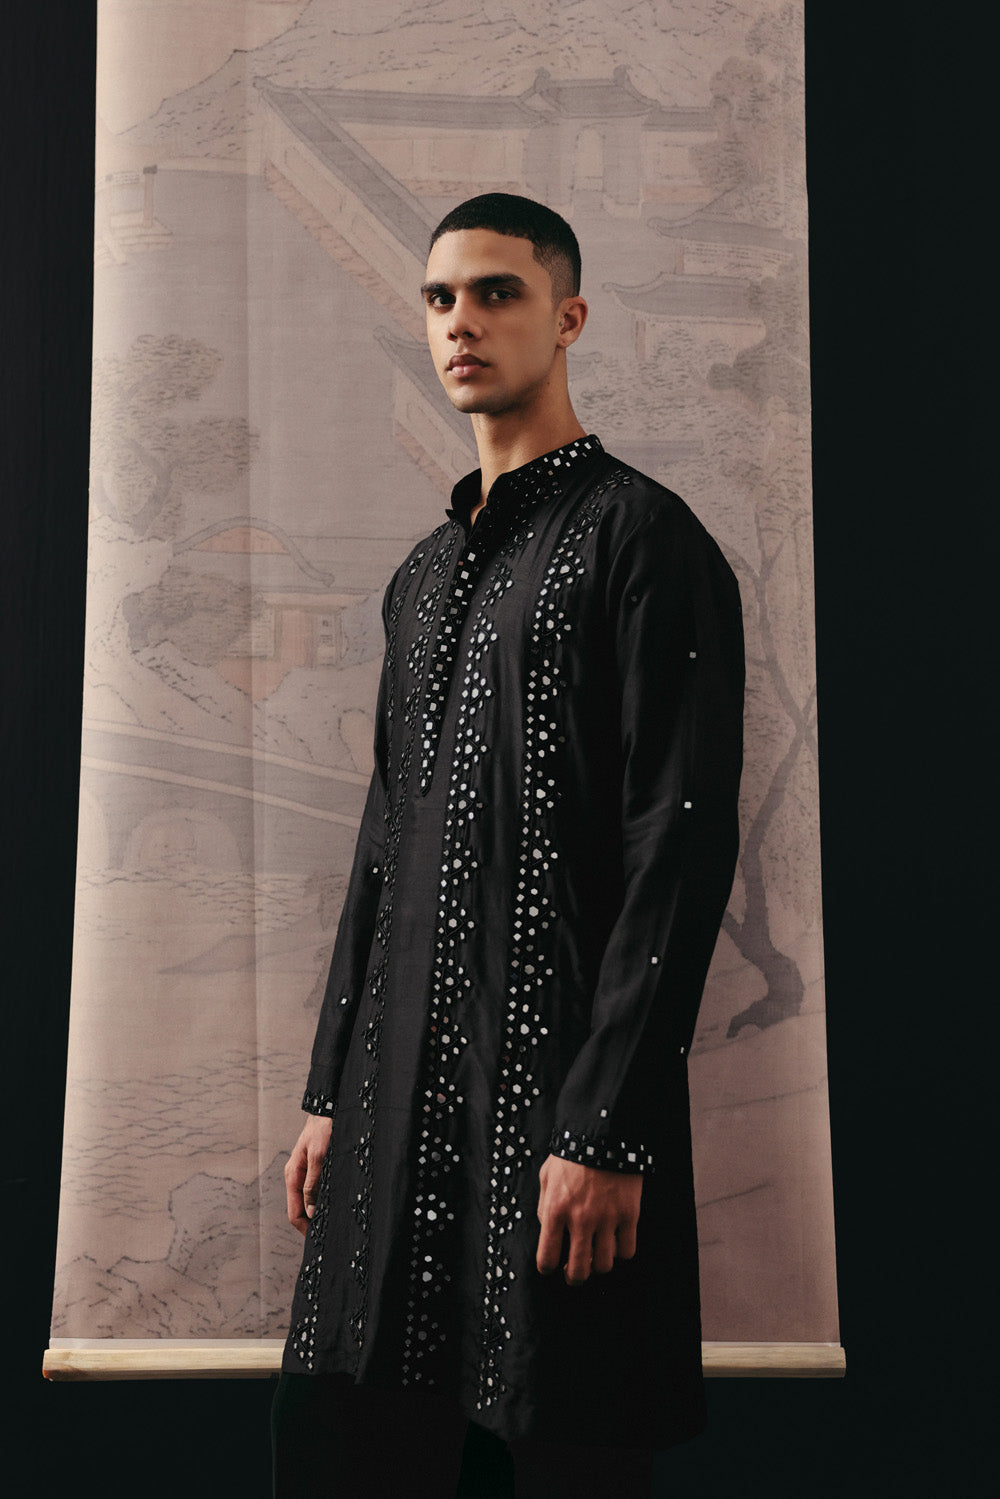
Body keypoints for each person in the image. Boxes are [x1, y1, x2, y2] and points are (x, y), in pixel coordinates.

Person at [272, 193, 744, 1498]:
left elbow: (676, 846)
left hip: (558, 1110)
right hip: (392, 1100)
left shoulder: (648, 543)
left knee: (560, 1443)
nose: (461, 323)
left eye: (496, 293)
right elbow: (384, 845)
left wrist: (608, 1130)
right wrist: (329, 1091)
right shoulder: (422, 579)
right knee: (355, 1447)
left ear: (568, 317)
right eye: (440, 298)